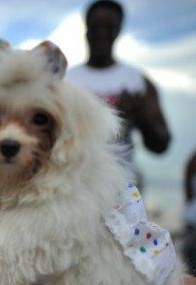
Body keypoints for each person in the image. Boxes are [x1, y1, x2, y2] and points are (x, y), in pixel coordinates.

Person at [66, 0, 171, 181]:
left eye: (109, 27)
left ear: (119, 31)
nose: (101, 33)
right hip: (70, 185)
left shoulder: (136, 82)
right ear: (86, 29)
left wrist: (139, 117)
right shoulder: (66, 80)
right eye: (95, 26)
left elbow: (161, 146)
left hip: (121, 187)